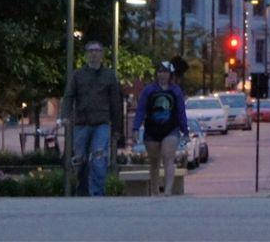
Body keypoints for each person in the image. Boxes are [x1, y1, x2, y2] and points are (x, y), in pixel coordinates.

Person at [59, 41, 123, 196]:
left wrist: (117, 129)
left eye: (97, 51)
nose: (94, 54)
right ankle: (82, 190)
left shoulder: (109, 76)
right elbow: (69, 97)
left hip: (101, 124)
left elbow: (116, 104)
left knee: (99, 159)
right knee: (80, 160)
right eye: (90, 51)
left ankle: (97, 194)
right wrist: (65, 116)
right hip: (81, 123)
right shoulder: (78, 75)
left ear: (102, 54)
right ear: (86, 54)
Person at [134, 61, 189, 196]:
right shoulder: (149, 90)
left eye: (165, 72)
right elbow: (141, 109)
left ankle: (168, 191)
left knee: (168, 156)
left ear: (170, 74)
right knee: (154, 161)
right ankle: (155, 190)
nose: (162, 74)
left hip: (170, 128)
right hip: (152, 129)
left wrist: (185, 130)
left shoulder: (175, 90)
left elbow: (181, 111)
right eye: (160, 72)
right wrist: (136, 127)